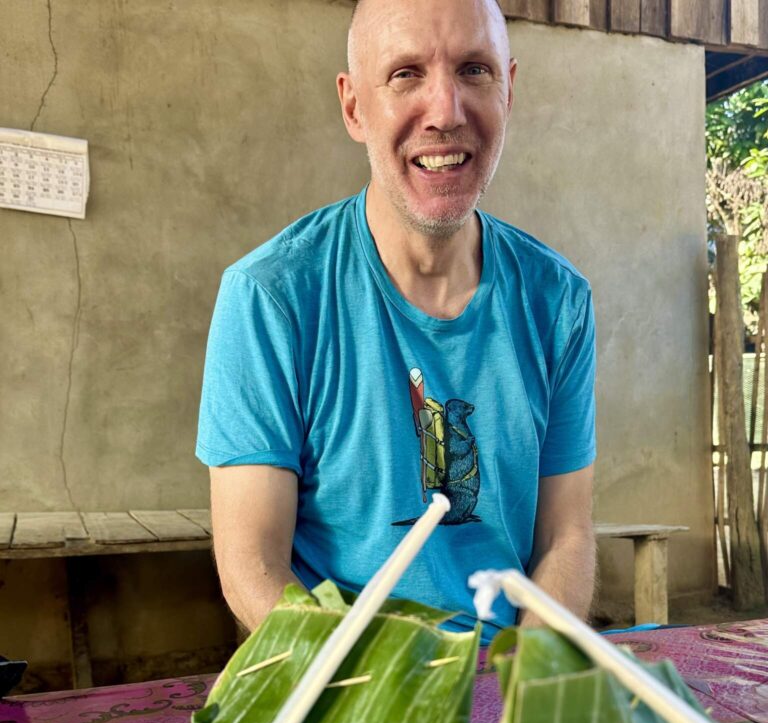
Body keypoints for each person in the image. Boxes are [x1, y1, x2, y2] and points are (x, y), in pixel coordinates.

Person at [196, 0, 596, 640]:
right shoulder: (271, 297)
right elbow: (254, 563)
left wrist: (532, 674)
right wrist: (373, 686)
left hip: (507, 668)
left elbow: (565, 535)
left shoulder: (559, 301)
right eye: (406, 74)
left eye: (474, 70)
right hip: (343, 671)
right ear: (354, 106)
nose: (445, 111)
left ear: (509, 91)